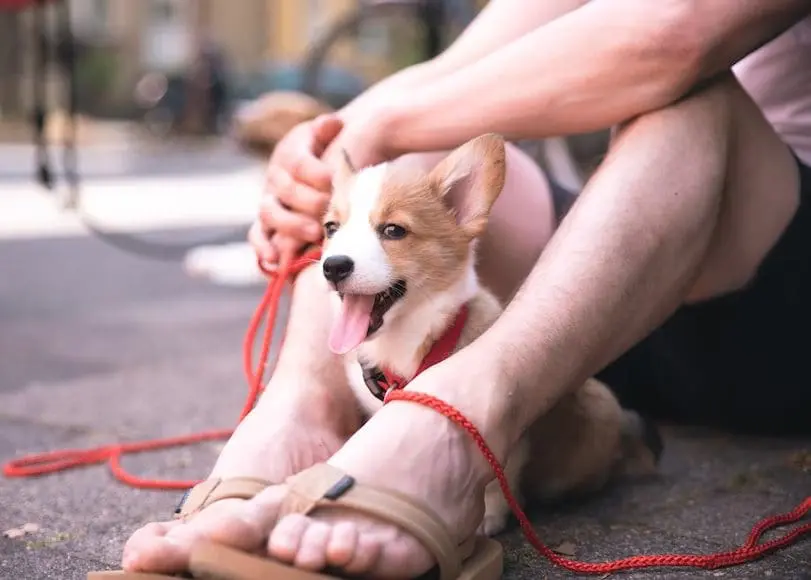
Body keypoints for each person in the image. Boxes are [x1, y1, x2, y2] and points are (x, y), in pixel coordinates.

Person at [121, 1, 811, 577]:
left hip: (773, 303)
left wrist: (378, 121)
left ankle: (455, 428)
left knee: (693, 93)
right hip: (606, 291)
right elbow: (455, 70)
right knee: (400, 159)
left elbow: (672, 35)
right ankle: (305, 407)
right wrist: (333, 148)